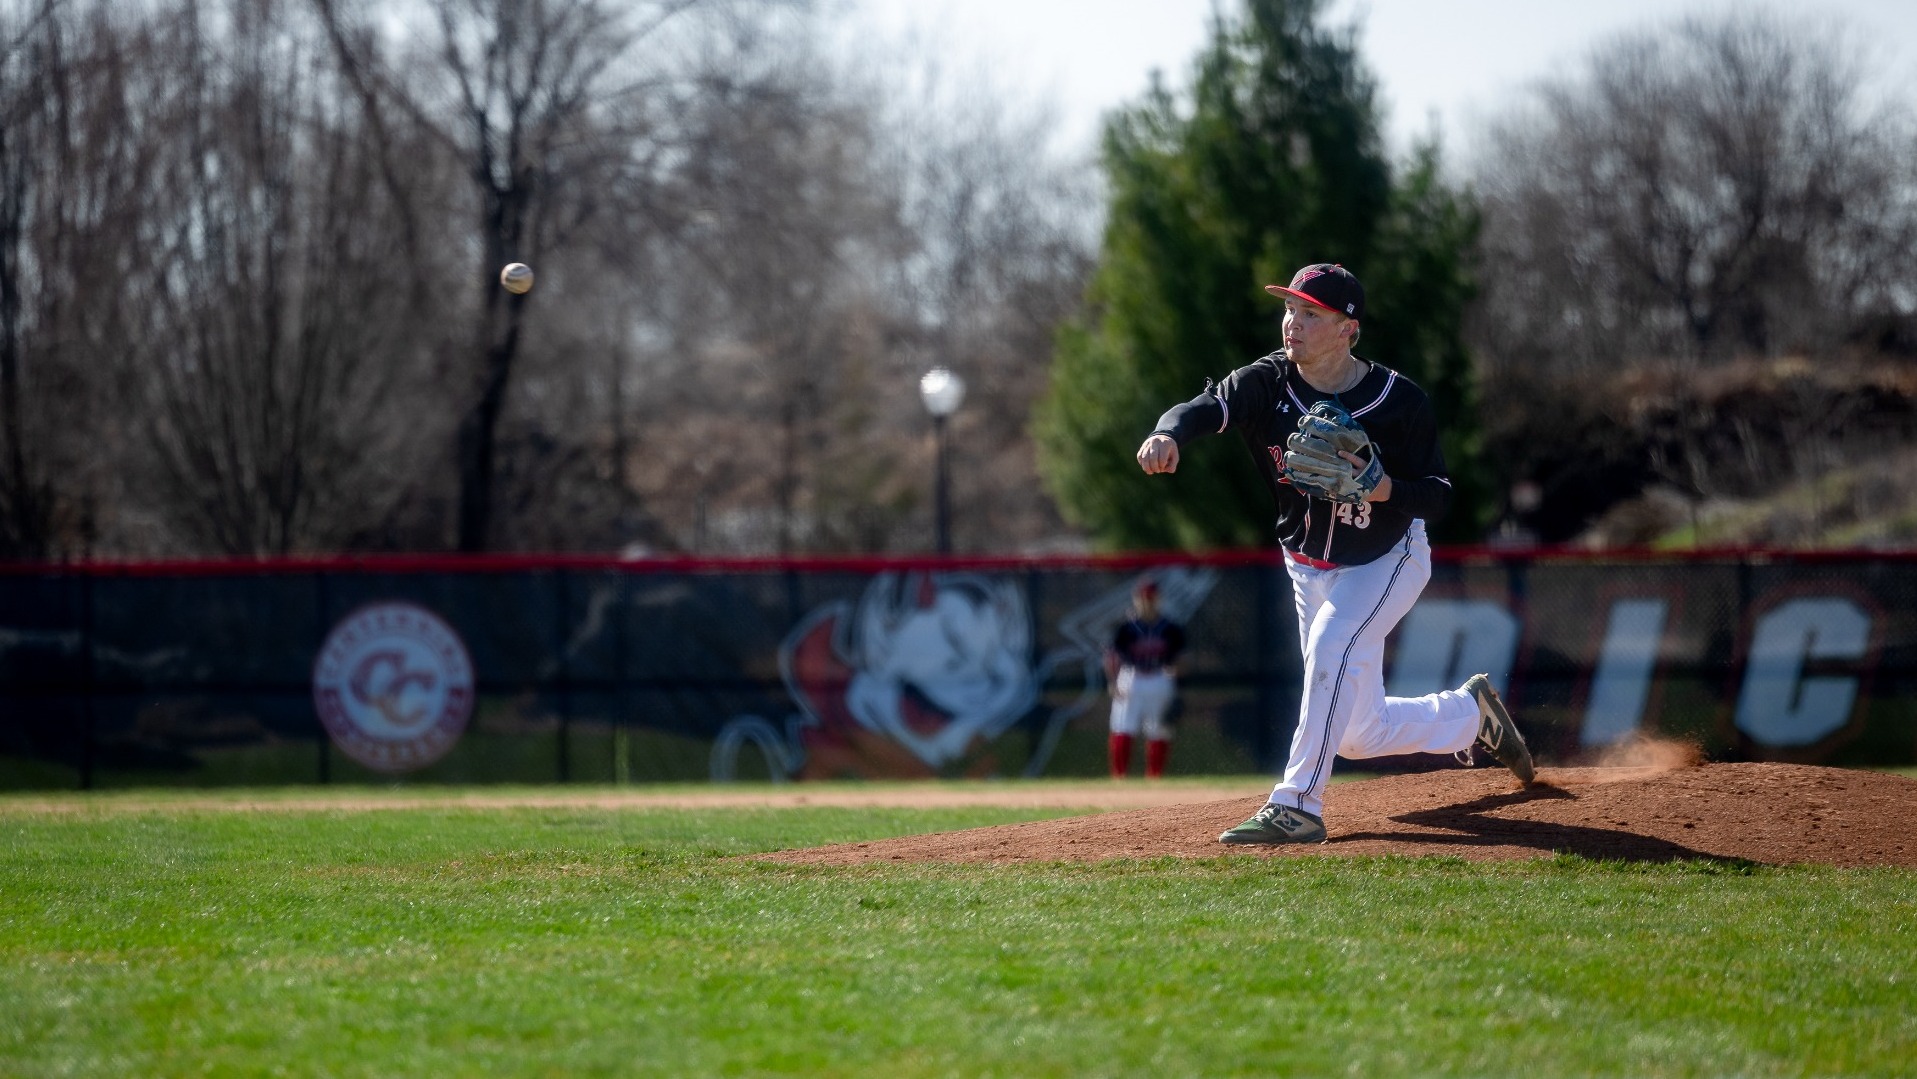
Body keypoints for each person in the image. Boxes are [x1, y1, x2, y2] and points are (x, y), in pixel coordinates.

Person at [1135, 263, 1535, 845]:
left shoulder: (1399, 401)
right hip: (1307, 568)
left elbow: (1440, 496)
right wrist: (1167, 433)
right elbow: (1203, 407)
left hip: (1386, 559)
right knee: (1357, 734)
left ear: (1349, 329)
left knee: (1330, 646)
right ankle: (1471, 715)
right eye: (1289, 309)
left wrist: (1384, 488)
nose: (1292, 323)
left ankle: (1297, 804)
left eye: (1310, 314)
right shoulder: (1267, 382)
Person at [1105, 581, 1186, 779]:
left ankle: (1154, 777)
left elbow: (1181, 658)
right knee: (1122, 727)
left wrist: (1177, 676)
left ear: (1158, 600)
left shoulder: (1170, 628)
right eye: (1142, 598)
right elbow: (1111, 657)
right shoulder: (1125, 628)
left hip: (1160, 677)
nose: (1146, 602)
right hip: (1131, 677)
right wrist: (1113, 682)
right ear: (1136, 599)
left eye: (1150, 598)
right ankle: (1119, 777)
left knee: (1159, 730)